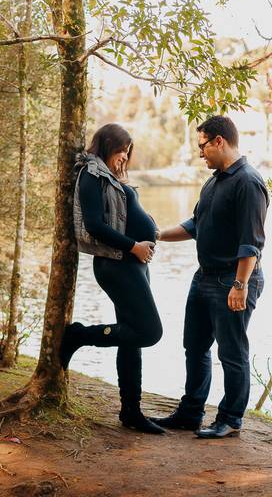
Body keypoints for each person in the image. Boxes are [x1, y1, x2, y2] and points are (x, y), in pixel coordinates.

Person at [151, 115, 269, 439]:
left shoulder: (249, 182)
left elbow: (251, 243)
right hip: (204, 278)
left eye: (202, 145)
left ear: (219, 141)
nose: (200, 153)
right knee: (195, 347)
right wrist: (157, 234)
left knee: (232, 353)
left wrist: (240, 285)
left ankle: (230, 419)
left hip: (234, 280)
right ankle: (191, 412)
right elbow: (194, 225)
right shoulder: (213, 181)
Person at [60, 123, 165, 434]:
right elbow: (93, 224)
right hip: (116, 265)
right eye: (122, 150)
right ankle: (80, 335)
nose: (125, 157)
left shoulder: (110, 178)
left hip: (134, 265)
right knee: (149, 332)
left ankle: (131, 411)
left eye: (128, 152)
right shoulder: (91, 175)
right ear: (108, 146)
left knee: (131, 339)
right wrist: (134, 245)